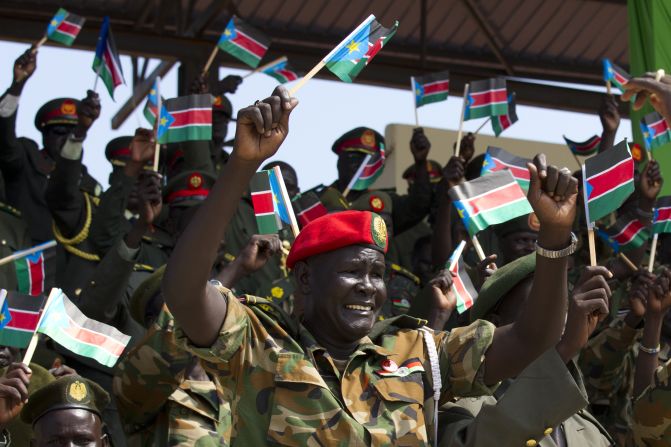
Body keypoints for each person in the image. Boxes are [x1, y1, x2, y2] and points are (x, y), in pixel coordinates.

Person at [162, 85, 581, 445]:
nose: (369, 287)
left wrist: (555, 239)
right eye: (352, 272)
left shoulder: (418, 354)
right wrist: (242, 164)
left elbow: (533, 338)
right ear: (305, 278)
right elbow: (184, 292)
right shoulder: (257, 343)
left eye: (377, 274)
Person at [439, 255, 614, 446]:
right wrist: (564, 349)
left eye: (563, 309)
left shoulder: (588, 429)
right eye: (541, 311)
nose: (558, 322)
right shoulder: (457, 406)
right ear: (493, 326)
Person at [0, 48, 102, 244]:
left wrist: (81, 130)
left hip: (65, 269)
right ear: (45, 135)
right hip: (23, 263)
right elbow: (3, 138)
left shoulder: (88, 183)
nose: (65, 138)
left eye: (71, 133)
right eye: (58, 132)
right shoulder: (26, 159)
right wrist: (17, 84)